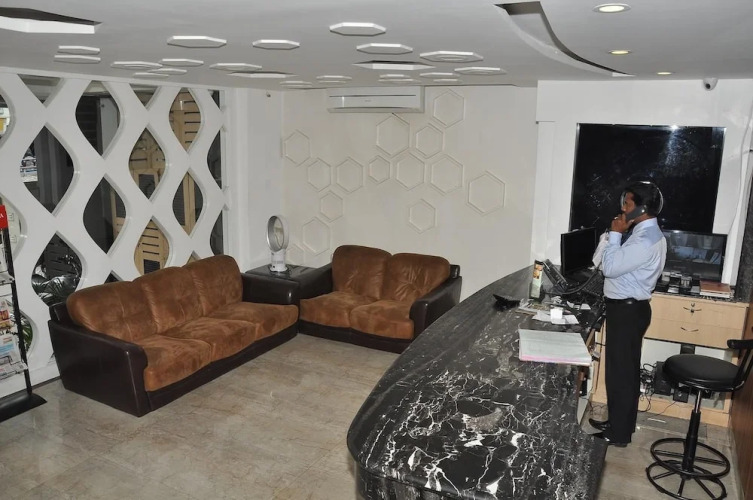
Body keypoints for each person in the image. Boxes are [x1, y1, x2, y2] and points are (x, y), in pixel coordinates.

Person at [589, 180, 667, 447]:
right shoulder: (644, 233)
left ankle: (618, 434)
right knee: (624, 373)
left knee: (621, 375)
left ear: (642, 208)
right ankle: (619, 424)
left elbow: (610, 268)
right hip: (628, 310)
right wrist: (614, 235)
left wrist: (615, 234)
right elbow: (605, 263)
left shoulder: (644, 240)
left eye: (628, 203)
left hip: (627, 311)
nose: (623, 207)